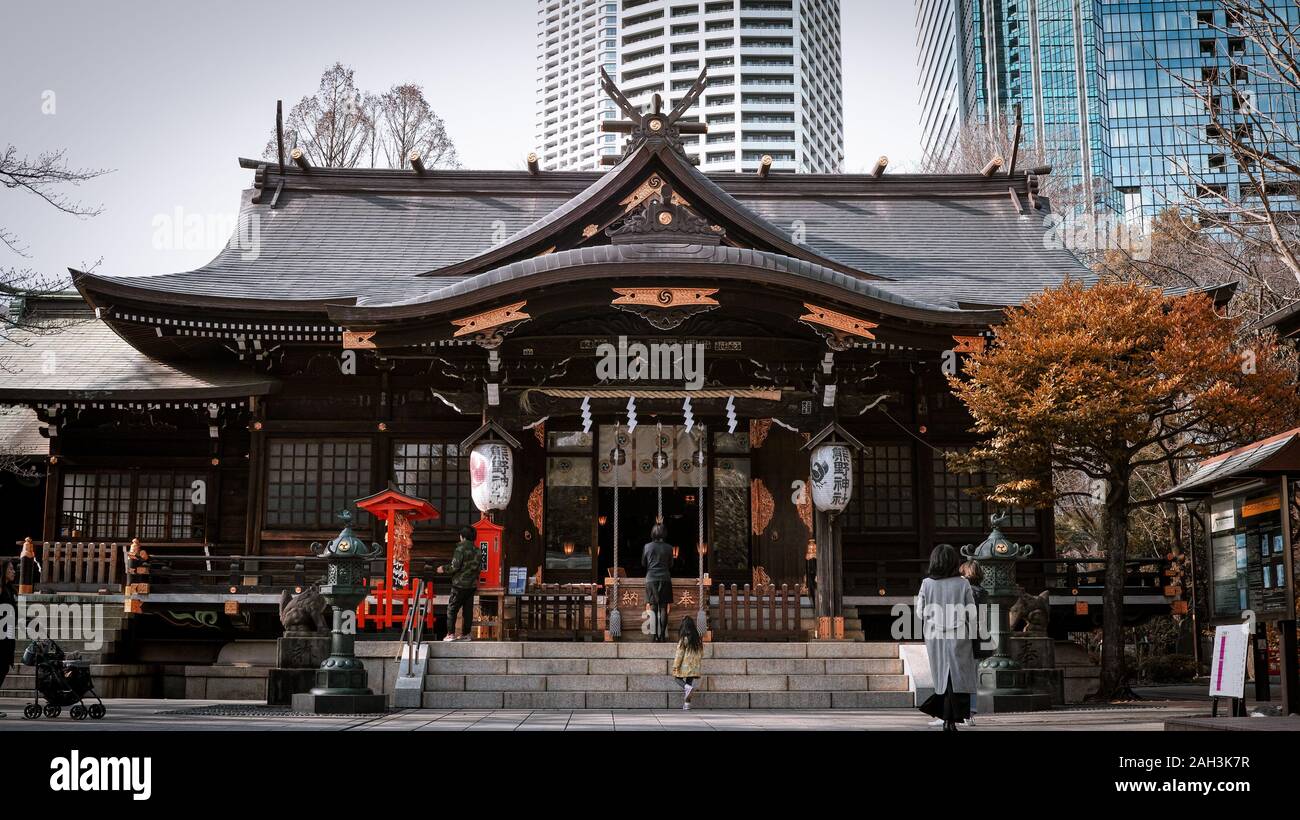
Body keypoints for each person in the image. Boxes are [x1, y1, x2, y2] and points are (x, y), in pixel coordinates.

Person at [915, 544, 978, 732]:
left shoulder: (927, 583)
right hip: (959, 634)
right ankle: (953, 717)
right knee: (957, 677)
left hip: (935, 635)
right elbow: (972, 612)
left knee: (941, 676)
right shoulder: (963, 583)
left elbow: (920, 612)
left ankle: (944, 717)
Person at [436, 526, 480, 642]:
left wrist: (443, 569)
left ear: (462, 536)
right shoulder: (477, 550)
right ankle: (466, 634)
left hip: (459, 584)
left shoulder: (460, 549)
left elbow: (454, 566)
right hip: (471, 585)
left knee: (452, 608)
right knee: (468, 610)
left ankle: (450, 633)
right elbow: (478, 568)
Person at [642, 522, 674, 642]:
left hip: (651, 579)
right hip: (665, 578)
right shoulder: (669, 547)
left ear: (652, 533)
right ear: (664, 533)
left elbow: (643, 563)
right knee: (663, 608)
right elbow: (671, 564)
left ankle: (654, 636)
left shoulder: (647, 547)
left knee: (653, 607)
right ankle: (662, 636)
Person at [671, 615, 704, 710]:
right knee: (689, 682)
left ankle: (687, 688)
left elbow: (679, 653)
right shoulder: (698, 640)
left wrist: (676, 665)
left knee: (677, 679)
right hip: (695, 665)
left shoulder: (684, 639)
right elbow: (701, 653)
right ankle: (687, 704)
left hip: (685, 664)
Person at [0, 560, 16, 718]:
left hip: (7, 636)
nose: (14, 571)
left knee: (3, 668)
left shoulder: (10, 590)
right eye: (10, 569)